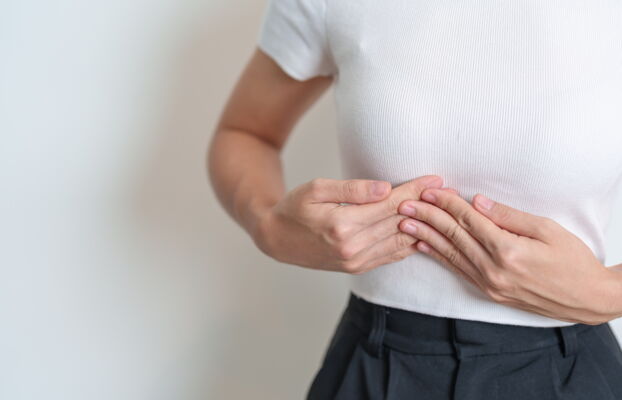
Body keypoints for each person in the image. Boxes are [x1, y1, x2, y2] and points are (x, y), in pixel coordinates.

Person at [207, 0, 622, 398]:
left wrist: (607, 292)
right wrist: (268, 226)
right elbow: (245, 133)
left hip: (568, 370)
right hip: (374, 363)